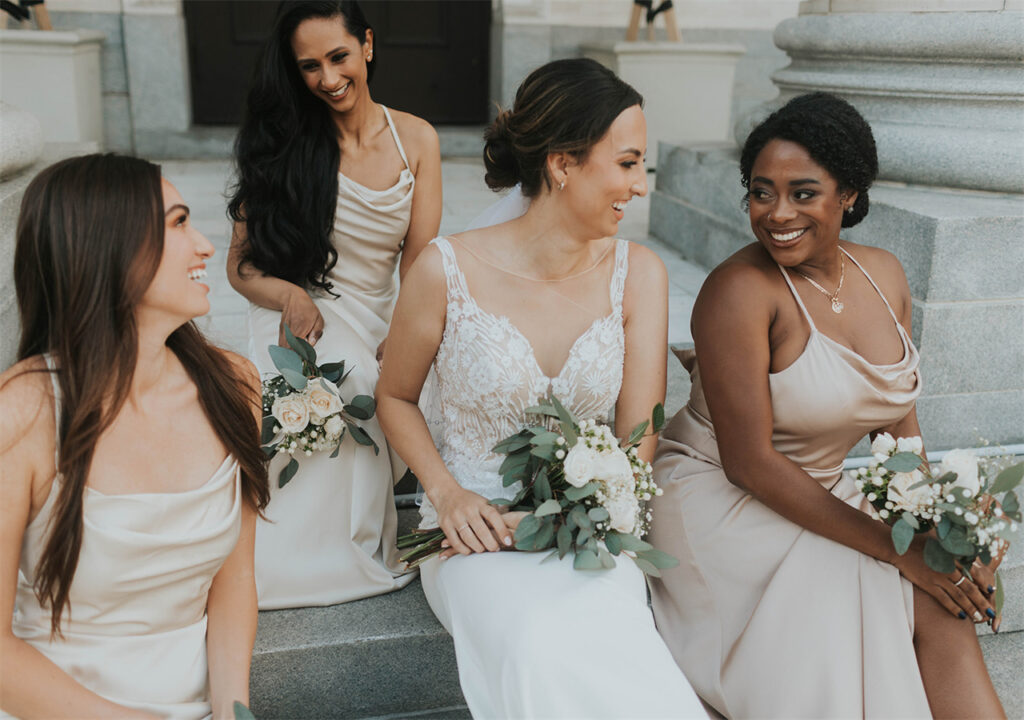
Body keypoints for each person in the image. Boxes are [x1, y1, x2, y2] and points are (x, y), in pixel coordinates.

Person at [648, 92, 1005, 719]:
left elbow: (899, 436)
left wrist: (941, 535)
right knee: (871, 580)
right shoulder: (739, 290)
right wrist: (900, 551)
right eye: (762, 192)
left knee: (945, 600)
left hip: (823, 490)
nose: (777, 213)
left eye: (803, 192)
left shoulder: (884, 275)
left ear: (849, 193)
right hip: (721, 499)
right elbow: (749, 463)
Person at [376, 58, 706, 719]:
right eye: (628, 163)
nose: (640, 186)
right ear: (563, 163)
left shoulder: (639, 275)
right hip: (472, 534)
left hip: (586, 531)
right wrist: (447, 494)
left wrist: (590, 504)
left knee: (616, 639)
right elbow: (395, 397)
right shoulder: (444, 270)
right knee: (535, 643)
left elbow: (638, 437)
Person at [0, 154, 269, 719]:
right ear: (109, 248)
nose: (204, 246)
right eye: (177, 224)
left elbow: (235, 581)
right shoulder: (24, 410)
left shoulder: (234, 387)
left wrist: (234, 710)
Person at [227, 0, 442, 609]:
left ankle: (354, 536)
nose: (327, 77)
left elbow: (421, 263)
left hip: (383, 308)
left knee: (389, 374)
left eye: (339, 56)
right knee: (344, 378)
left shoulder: (417, 139)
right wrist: (289, 293)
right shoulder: (285, 142)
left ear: (368, 45)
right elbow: (240, 267)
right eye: (309, 66)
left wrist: (406, 330)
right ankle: (300, 558)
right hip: (300, 304)